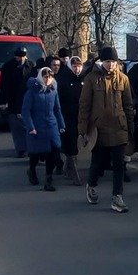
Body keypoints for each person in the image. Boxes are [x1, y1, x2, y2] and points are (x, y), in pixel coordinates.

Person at [78, 45, 134, 211]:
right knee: (98, 162)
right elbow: (84, 106)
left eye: (113, 61)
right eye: (107, 61)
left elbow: (128, 105)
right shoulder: (91, 79)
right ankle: (91, 184)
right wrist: (83, 130)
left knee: (119, 164)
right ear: (102, 61)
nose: (110, 65)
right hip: (99, 129)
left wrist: (130, 128)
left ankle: (117, 197)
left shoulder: (123, 79)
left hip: (119, 127)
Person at [21, 62, 64, 189]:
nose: (48, 79)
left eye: (50, 77)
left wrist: (61, 124)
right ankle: (32, 170)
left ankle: (48, 179)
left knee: (54, 151)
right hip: (37, 126)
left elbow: (57, 109)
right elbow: (26, 111)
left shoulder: (53, 91)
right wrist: (31, 127)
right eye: (45, 77)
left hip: (51, 125)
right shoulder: (32, 92)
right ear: (41, 77)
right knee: (36, 153)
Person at [55, 53, 83, 184]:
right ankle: (73, 172)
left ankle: (68, 167)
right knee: (70, 143)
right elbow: (59, 100)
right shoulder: (63, 79)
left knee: (77, 143)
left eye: (79, 66)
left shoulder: (84, 78)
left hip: (80, 116)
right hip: (67, 116)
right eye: (74, 66)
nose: (77, 69)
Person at [0, 45, 32, 157]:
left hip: (27, 100)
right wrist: (3, 101)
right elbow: (3, 85)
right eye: (19, 56)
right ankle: (21, 149)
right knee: (16, 127)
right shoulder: (8, 66)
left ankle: (29, 148)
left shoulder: (31, 66)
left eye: (23, 56)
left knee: (27, 125)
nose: (21, 58)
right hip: (13, 100)